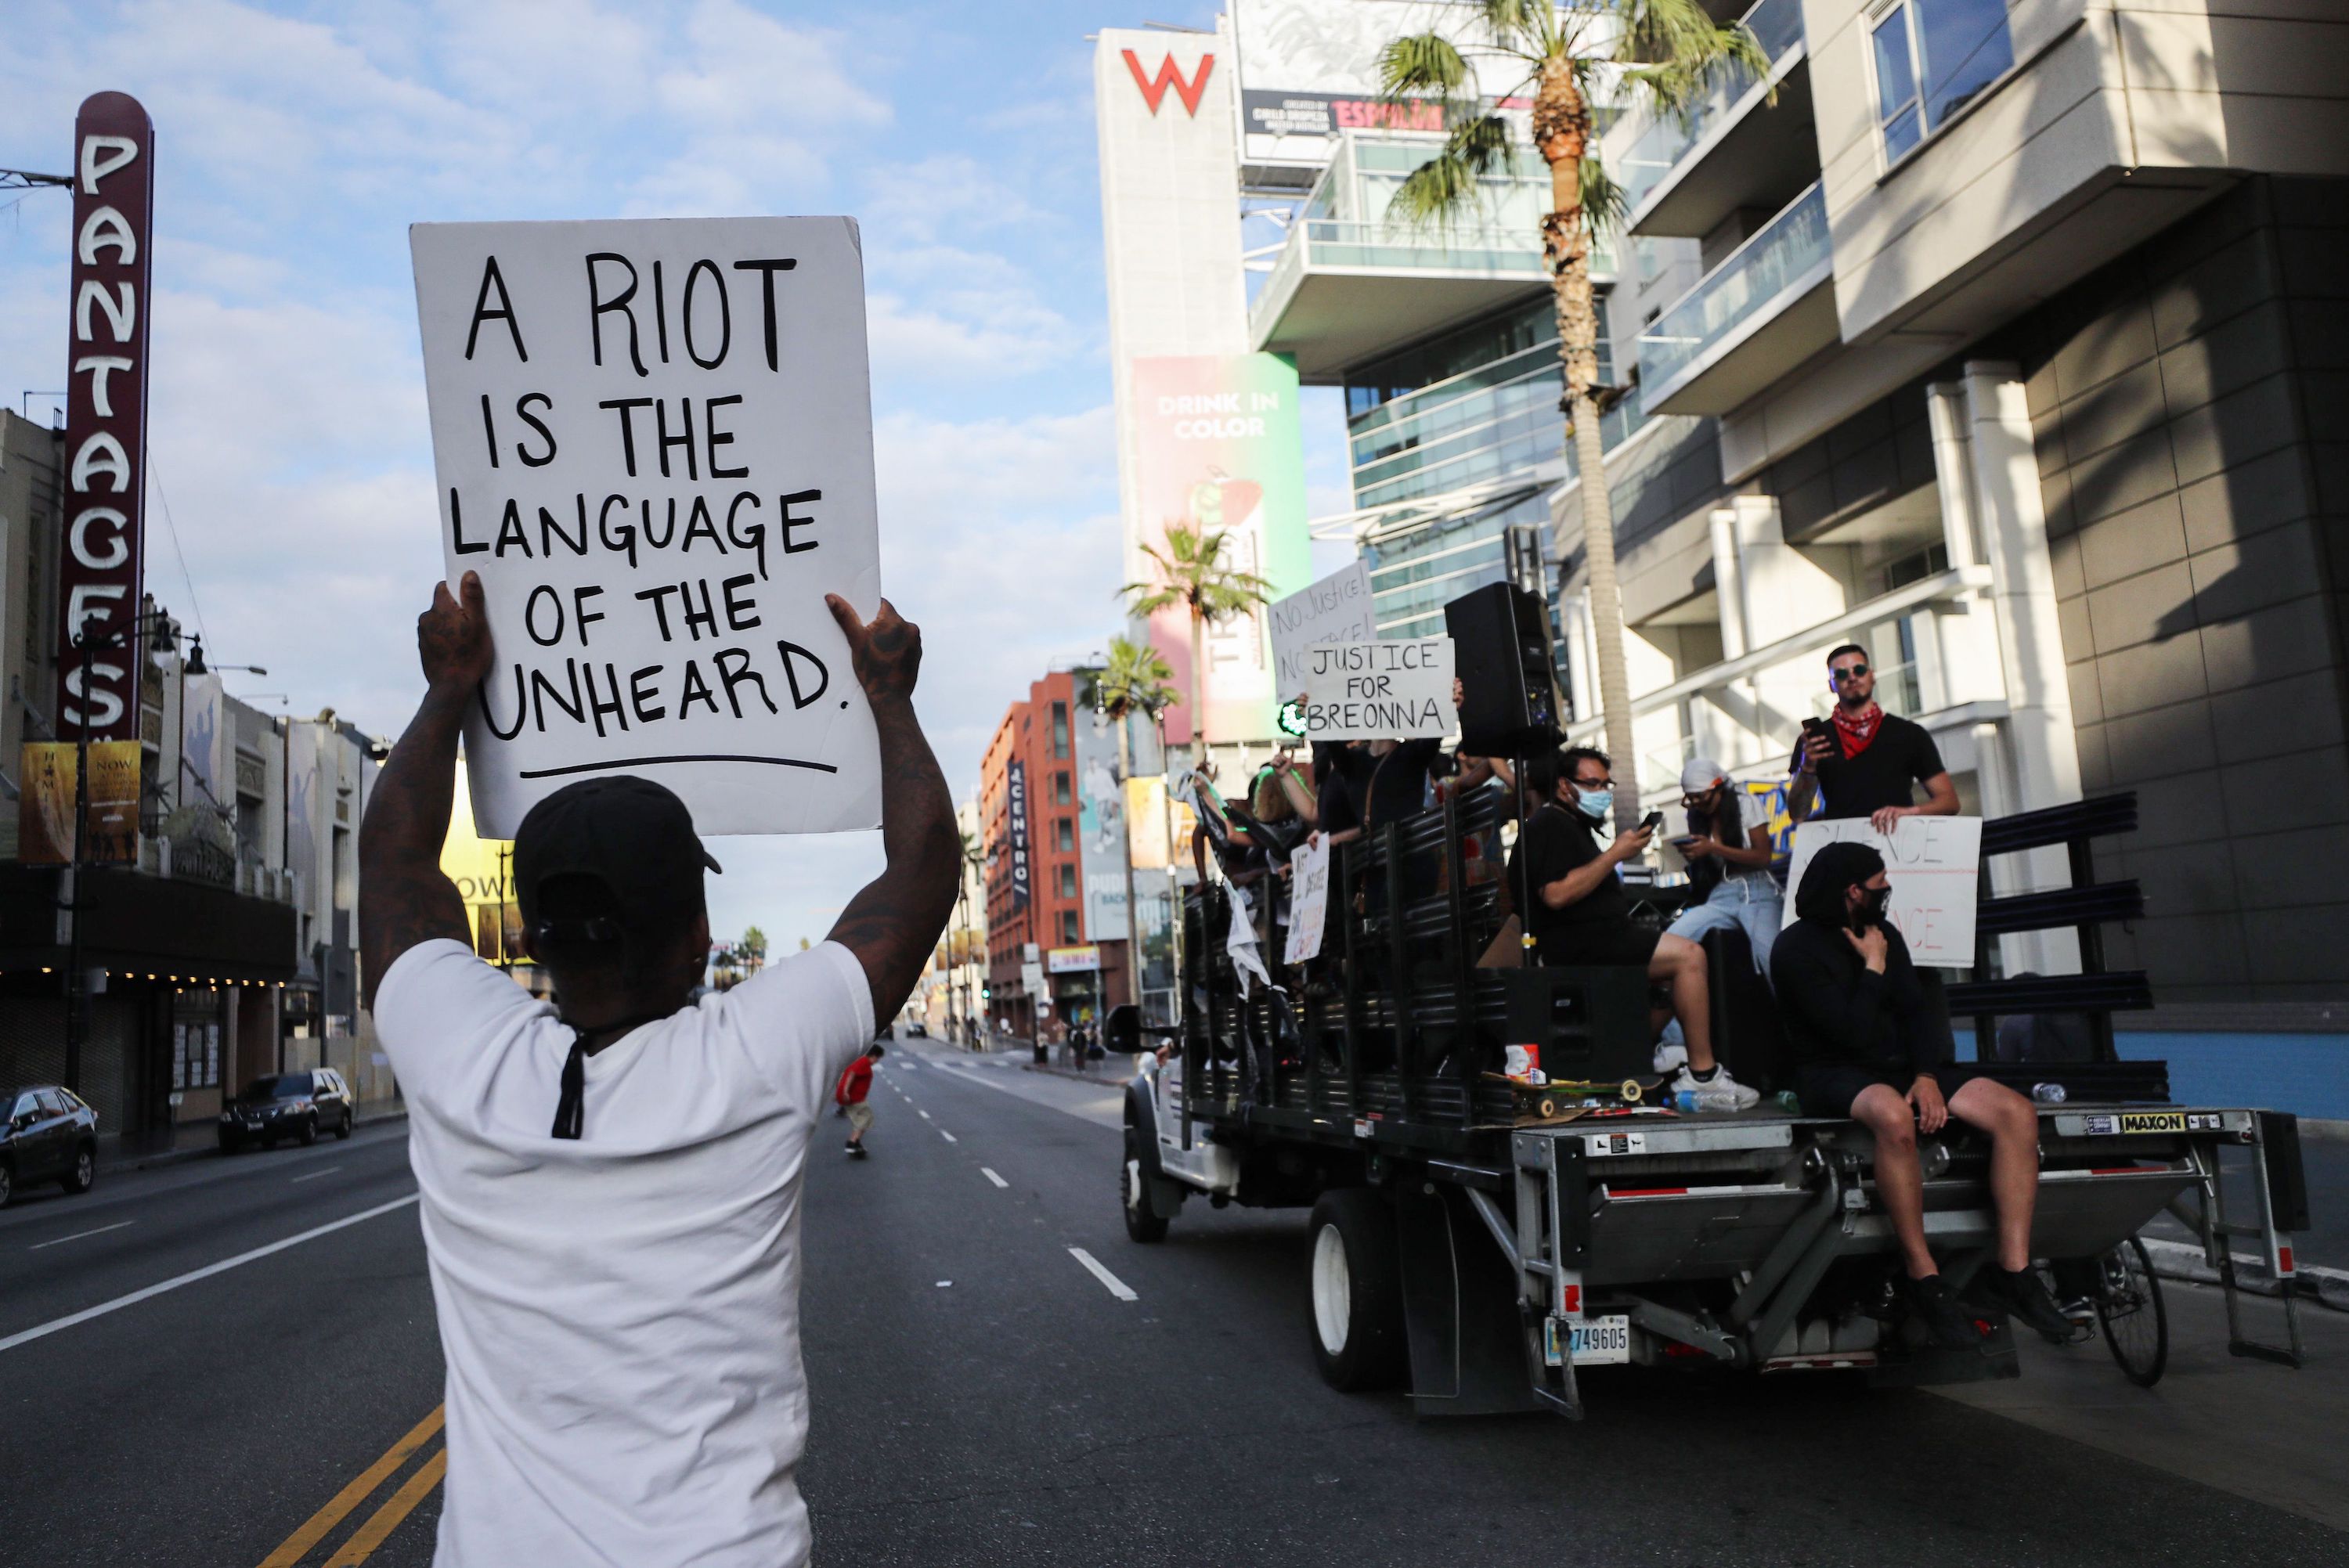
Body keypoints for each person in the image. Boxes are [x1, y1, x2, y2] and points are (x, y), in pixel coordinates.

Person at [359, 572, 958, 1567]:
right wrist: (888, 695)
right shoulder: (756, 1055)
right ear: (700, 932)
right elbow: (926, 870)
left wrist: (448, 687)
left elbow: (391, 866)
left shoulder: (457, 1051)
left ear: (532, 937)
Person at [1770, 842, 2072, 1349]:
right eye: (1880, 883)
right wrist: (1871, 968)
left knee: (2016, 1111)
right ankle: (1922, 1274)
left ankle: (2015, 1271)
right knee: (1892, 1115)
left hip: (1901, 1066)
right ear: (1852, 891)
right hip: (1833, 1072)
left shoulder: (1884, 933)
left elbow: (1916, 1011)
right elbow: (1848, 1033)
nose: (1887, 892)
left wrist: (1928, 1074)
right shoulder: (1794, 948)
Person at [1506, 747, 1759, 1110]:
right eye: (1591, 783)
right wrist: (1615, 854)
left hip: (1603, 936)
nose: (1601, 792)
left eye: (1605, 784)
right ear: (1564, 786)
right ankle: (1703, 1074)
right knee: (1690, 956)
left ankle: (1632, 1056)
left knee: (1670, 986)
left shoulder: (1572, 824)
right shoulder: (1550, 825)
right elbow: (1556, 894)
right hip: (1583, 942)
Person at [1788, 643, 1960, 832]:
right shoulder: (1813, 742)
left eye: (1859, 670)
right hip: (1844, 850)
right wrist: (1808, 767)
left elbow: (1949, 802)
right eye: (1842, 674)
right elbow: (1797, 814)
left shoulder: (1909, 733)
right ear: (1831, 685)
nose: (1852, 677)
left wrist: (1908, 812)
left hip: (1899, 847)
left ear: (1872, 676)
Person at [1665, 759, 1784, 974]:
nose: (1696, 803)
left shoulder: (1746, 804)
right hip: (1722, 892)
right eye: (1690, 799)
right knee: (1672, 940)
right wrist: (1695, 854)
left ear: (1718, 787)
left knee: (1772, 961)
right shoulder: (1697, 816)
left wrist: (1713, 848)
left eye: (1700, 797)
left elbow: (1763, 857)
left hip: (1757, 890)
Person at [835, 1042, 882, 1156]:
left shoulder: (862, 1062)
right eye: (878, 1058)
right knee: (865, 1117)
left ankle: (854, 1142)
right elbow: (852, 1074)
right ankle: (852, 1143)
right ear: (874, 1056)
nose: (878, 1061)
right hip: (854, 1098)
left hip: (855, 1097)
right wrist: (845, 1091)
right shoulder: (864, 1062)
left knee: (863, 1118)